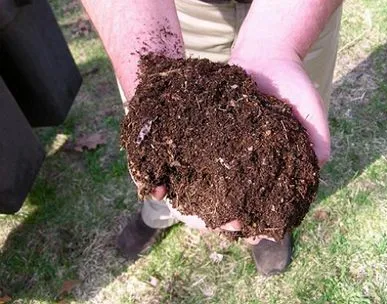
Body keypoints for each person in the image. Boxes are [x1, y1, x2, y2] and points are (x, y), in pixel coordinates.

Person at [80, 0, 343, 276]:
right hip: (172, 11)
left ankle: (267, 226)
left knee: (288, 135)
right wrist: (154, 80)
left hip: (298, 12)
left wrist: (278, 48)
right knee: (155, 139)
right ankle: (157, 213)